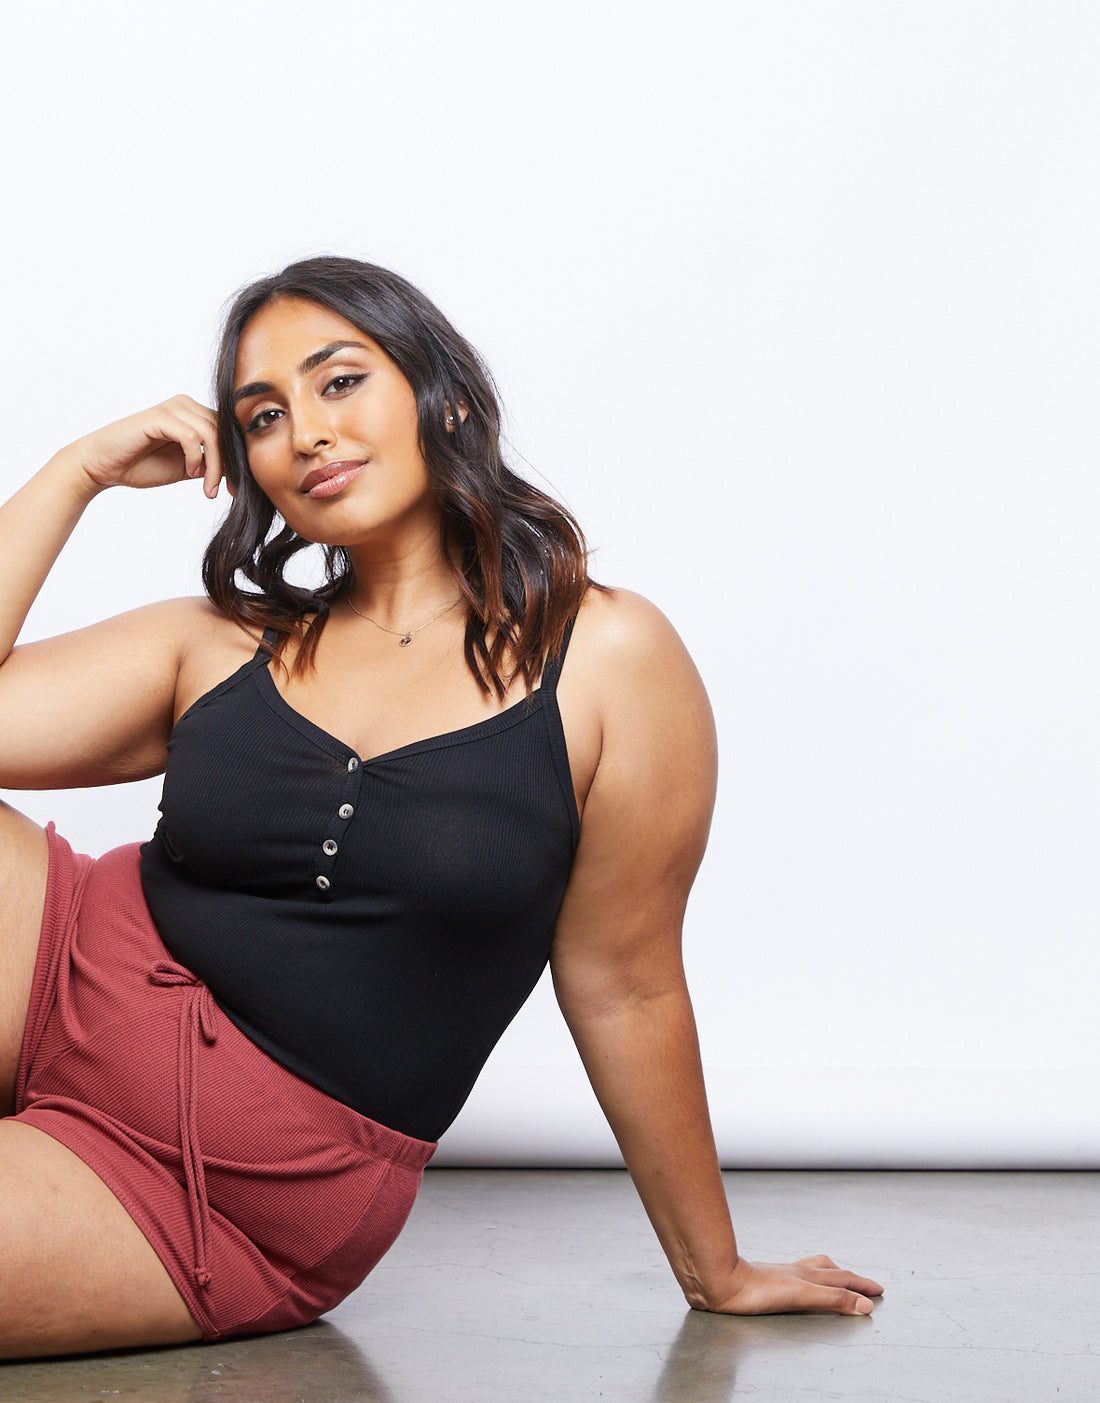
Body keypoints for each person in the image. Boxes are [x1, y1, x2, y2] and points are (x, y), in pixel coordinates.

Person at [0, 257, 883, 1358]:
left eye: (339, 381)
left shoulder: (609, 661)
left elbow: (627, 983)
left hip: (231, 1184)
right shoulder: (217, 642)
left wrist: (717, 1268)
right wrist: (76, 471)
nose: (306, 433)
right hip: (61, 974)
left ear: (444, 397)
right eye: (263, 415)